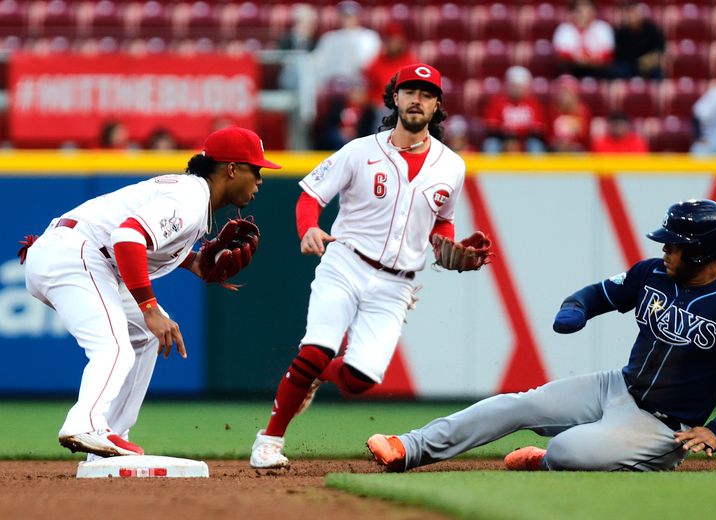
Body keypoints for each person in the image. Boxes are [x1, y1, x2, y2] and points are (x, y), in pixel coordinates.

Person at [368, 199, 716, 472]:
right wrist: (575, 309)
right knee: (518, 405)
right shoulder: (652, 272)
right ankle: (409, 447)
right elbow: (594, 295)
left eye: (675, 245)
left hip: (663, 427)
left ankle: (548, 462)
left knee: (567, 450)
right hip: (616, 385)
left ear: (704, 252)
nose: (665, 250)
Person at [250, 63, 483, 469]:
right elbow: (310, 195)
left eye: (426, 94)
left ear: (437, 105)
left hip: (397, 284)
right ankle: (268, 441)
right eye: (410, 91)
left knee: (361, 380)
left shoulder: (452, 166)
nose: (417, 99)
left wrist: (448, 247)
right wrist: (308, 229)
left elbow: (441, 219)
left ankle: (318, 376)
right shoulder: (360, 150)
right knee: (317, 347)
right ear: (395, 97)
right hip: (346, 263)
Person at [20, 127, 280, 458]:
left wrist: (196, 263)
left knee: (144, 336)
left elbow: (138, 235)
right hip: (75, 254)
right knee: (114, 346)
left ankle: (109, 435)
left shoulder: (193, 196)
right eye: (255, 170)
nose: (259, 180)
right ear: (231, 169)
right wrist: (149, 308)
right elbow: (127, 238)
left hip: (76, 253)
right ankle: (83, 423)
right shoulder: (191, 198)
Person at [312, 1, 380, 90]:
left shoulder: (369, 37)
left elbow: (371, 64)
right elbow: (318, 64)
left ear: (358, 16)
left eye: (350, 16)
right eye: (344, 16)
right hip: (332, 85)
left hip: (358, 85)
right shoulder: (329, 38)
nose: (347, 19)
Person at [481, 66, 547, 154]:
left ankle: (536, 168)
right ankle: (489, 168)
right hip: (503, 140)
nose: (516, 90)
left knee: (535, 145)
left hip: (525, 141)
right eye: (513, 86)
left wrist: (517, 137)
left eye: (519, 86)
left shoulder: (533, 104)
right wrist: (508, 137)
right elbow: (491, 127)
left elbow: (538, 129)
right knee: (491, 144)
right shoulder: (497, 102)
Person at [363, 22, 418, 109]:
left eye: (396, 40)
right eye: (390, 40)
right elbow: (367, 87)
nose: (393, 44)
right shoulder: (378, 61)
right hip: (380, 107)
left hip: (404, 106)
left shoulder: (412, 62)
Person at [553, 0, 614, 78]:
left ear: (594, 11)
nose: (584, 15)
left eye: (587, 10)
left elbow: (607, 55)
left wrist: (590, 60)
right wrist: (577, 58)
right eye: (580, 11)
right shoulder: (564, 29)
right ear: (573, 12)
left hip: (598, 71)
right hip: (572, 70)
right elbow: (560, 54)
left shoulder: (603, 28)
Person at [314, 77, 378, 151]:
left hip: (359, 138)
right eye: (354, 91)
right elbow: (330, 123)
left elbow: (369, 129)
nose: (356, 95)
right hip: (338, 137)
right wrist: (341, 131)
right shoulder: (339, 105)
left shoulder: (369, 111)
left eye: (359, 92)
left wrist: (355, 133)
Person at [612, 1, 665, 79]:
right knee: (620, 71)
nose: (632, 17)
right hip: (629, 66)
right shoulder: (620, 33)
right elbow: (619, 56)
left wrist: (651, 59)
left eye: (634, 13)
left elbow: (659, 49)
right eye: (629, 13)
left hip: (648, 65)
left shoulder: (651, 29)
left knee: (657, 73)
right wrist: (637, 63)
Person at [548, 75, 591, 152]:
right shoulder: (553, 110)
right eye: (561, 93)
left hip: (576, 148)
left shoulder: (582, 110)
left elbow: (584, 136)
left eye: (567, 93)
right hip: (557, 147)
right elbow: (550, 135)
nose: (563, 96)